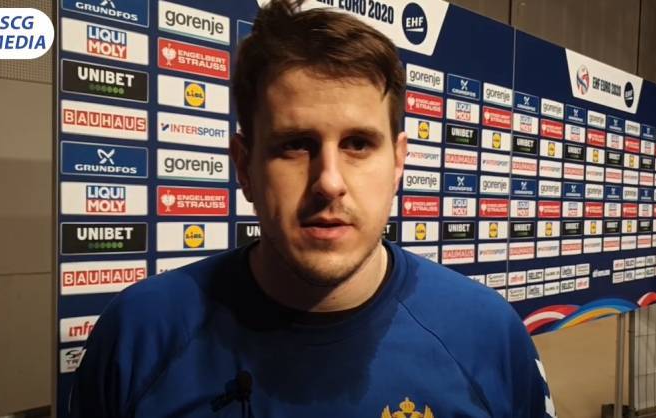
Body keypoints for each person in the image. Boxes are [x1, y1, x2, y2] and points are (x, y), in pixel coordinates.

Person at [69, 0, 554, 416]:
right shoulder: (139, 334)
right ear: (244, 166)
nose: (329, 182)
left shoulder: (489, 336)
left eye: (358, 143)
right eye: (295, 145)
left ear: (398, 163)